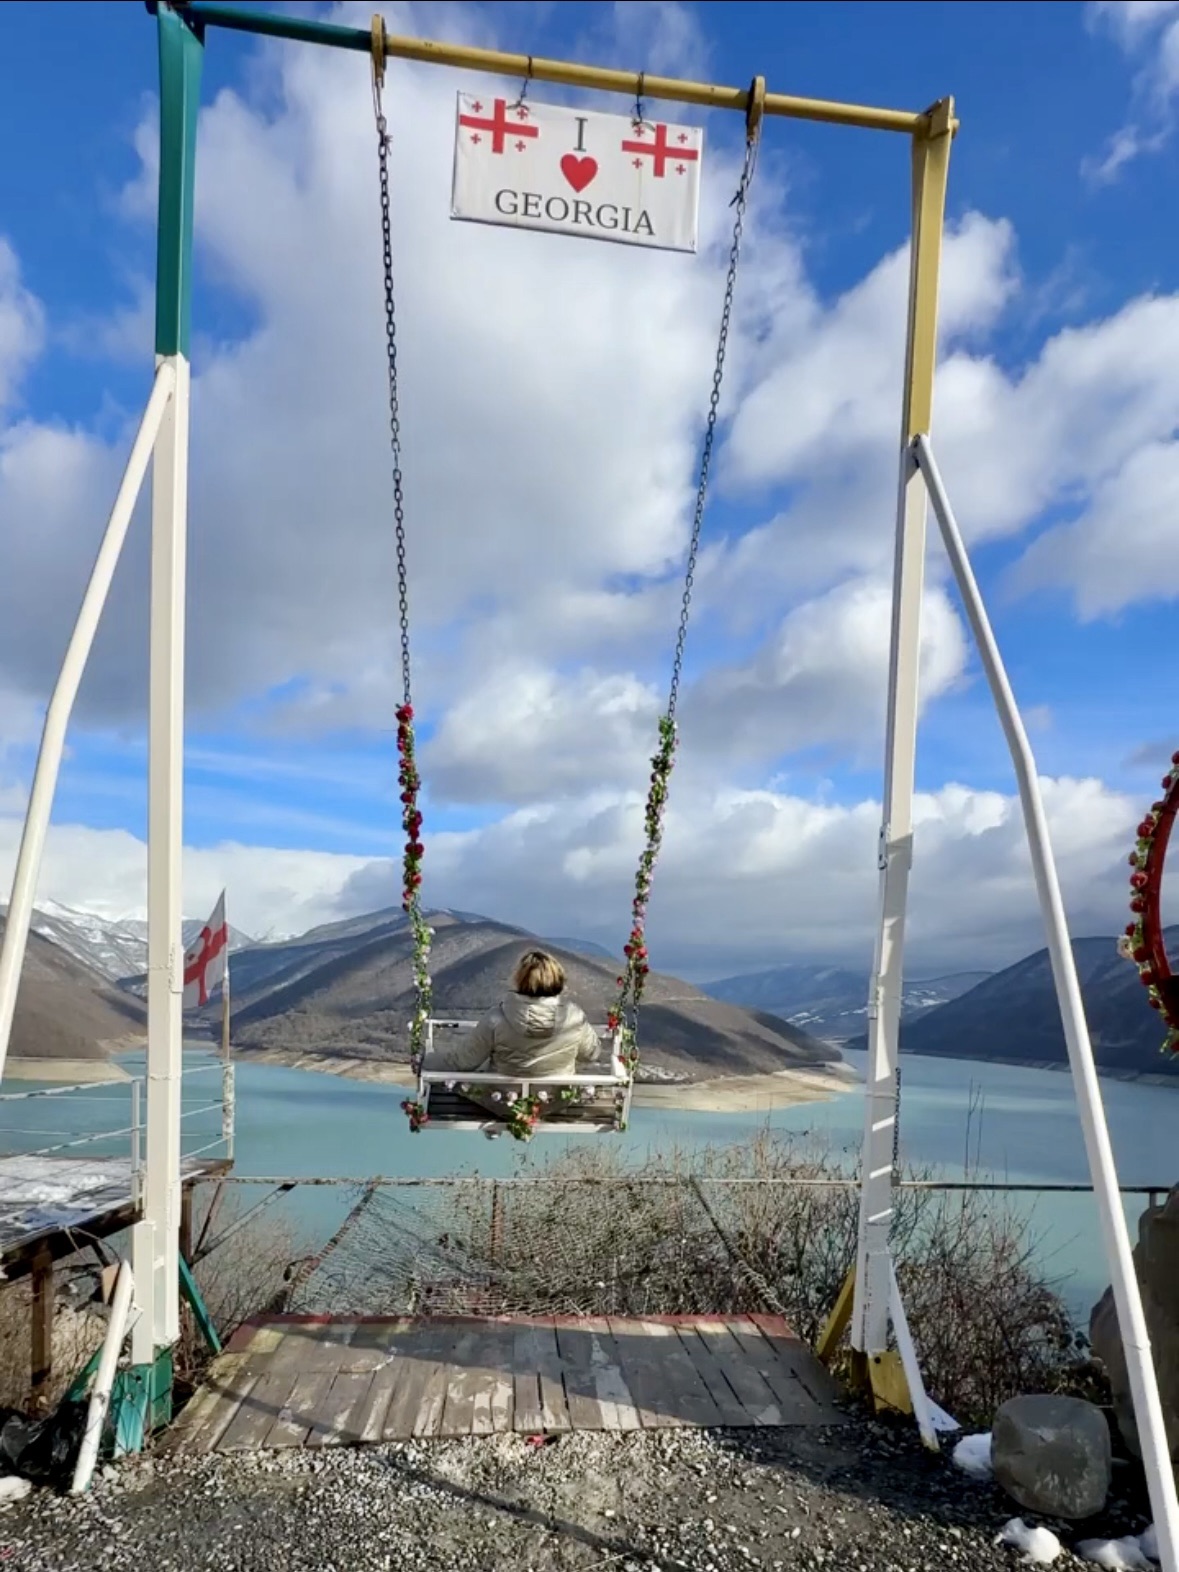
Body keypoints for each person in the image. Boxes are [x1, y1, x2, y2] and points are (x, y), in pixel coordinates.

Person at [430, 949, 602, 1086]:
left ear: (520, 979)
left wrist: (426, 1060)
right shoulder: (574, 1017)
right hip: (555, 1100)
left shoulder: (496, 1018)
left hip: (504, 1102)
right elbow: (591, 1054)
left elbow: (464, 1061)